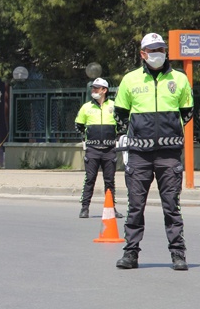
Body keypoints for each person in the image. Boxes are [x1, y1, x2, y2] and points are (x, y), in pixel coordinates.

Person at [113, 33, 193, 271]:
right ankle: (130, 254)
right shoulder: (130, 80)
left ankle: (178, 254)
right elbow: (120, 114)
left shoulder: (179, 79)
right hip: (139, 154)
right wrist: (137, 134)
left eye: (160, 48)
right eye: (152, 49)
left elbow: (187, 112)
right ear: (143, 54)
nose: (157, 53)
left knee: (172, 205)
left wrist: (169, 131)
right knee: (135, 206)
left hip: (169, 154)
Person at [75, 77, 123, 219]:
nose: (94, 91)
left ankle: (112, 208)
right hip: (93, 149)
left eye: (97, 88)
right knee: (90, 179)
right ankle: (84, 208)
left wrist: (116, 137)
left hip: (109, 150)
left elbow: (121, 125)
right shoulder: (86, 107)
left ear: (104, 90)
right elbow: (78, 125)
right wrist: (88, 137)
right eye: (93, 88)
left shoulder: (113, 106)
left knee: (110, 181)